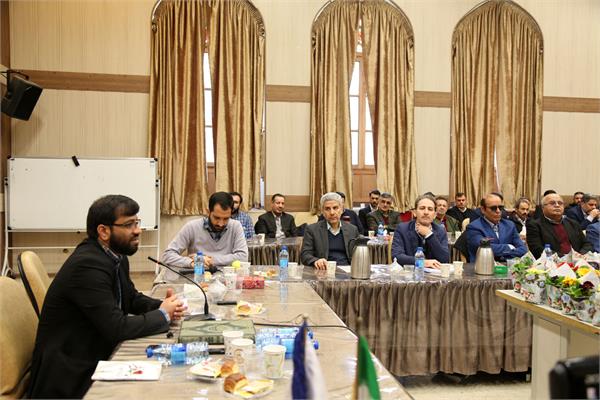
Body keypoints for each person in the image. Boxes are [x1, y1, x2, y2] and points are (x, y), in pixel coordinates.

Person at [28, 195, 185, 398]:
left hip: (94, 353)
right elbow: (117, 328)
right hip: (71, 374)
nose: (138, 230)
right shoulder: (87, 265)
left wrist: (164, 305)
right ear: (103, 231)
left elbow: (130, 298)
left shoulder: (114, 255)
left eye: (137, 222)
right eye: (129, 224)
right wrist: (162, 315)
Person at [161, 192, 248, 281]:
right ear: (208, 211)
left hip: (227, 280)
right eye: (217, 218)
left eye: (226, 218)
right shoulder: (192, 227)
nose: (221, 224)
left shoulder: (236, 226)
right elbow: (167, 255)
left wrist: (208, 260)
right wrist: (192, 262)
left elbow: (243, 257)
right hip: (197, 280)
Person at [301, 192, 359, 269]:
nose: (332, 213)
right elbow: (305, 255)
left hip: (347, 270)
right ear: (322, 212)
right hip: (323, 270)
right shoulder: (312, 230)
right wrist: (316, 261)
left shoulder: (352, 230)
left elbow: (358, 255)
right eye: (327, 209)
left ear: (341, 210)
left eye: (335, 208)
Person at [526, 193, 593, 258]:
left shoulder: (573, 223)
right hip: (552, 262)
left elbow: (587, 244)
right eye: (552, 203)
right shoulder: (534, 225)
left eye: (560, 203)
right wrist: (566, 258)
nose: (557, 205)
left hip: (578, 261)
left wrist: (581, 254)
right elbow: (537, 250)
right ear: (543, 208)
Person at [466, 193, 527, 262]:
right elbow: (484, 249)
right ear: (483, 209)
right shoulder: (474, 227)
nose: (498, 211)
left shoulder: (509, 225)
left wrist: (502, 254)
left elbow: (523, 249)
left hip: (507, 266)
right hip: (484, 266)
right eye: (493, 208)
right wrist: (508, 247)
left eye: (500, 208)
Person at [391, 195, 449, 267]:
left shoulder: (441, 230)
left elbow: (445, 259)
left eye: (430, 209)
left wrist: (429, 235)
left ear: (435, 215)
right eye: (422, 208)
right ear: (415, 212)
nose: (426, 212)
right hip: (409, 272)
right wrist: (423, 263)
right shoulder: (402, 228)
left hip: (434, 273)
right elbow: (397, 257)